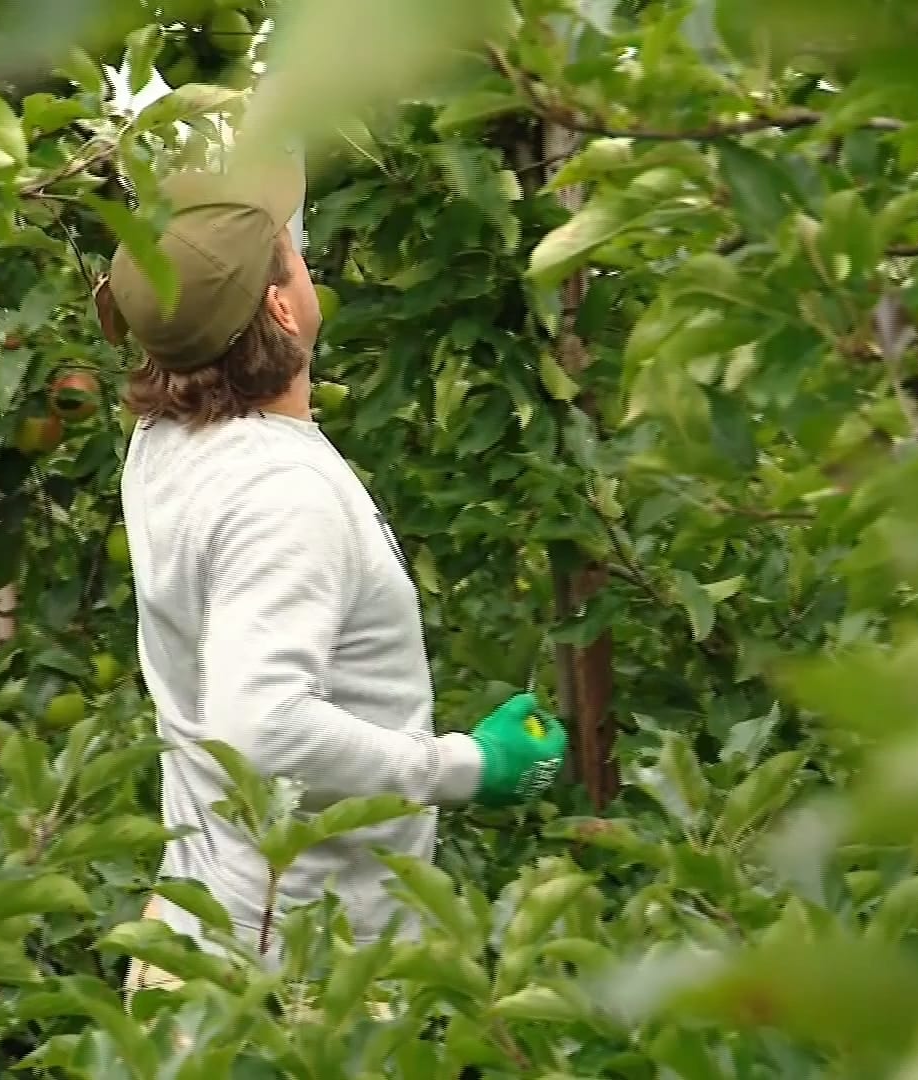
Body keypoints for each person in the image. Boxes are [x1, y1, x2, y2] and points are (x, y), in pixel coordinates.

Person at [100, 153, 570, 1006]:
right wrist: (468, 765)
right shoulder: (284, 497)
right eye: (293, 249)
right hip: (289, 978)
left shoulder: (162, 444)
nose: (306, 256)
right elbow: (266, 728)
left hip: (201, 932)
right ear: (282, 304)